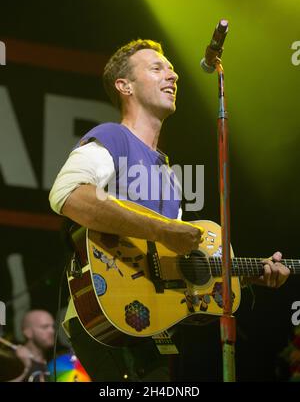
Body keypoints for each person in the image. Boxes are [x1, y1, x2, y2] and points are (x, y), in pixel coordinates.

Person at [49, 39, 290, 381]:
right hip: (106, 317)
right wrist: (162, 229)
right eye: (157, 68)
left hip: (152, 325)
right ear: (124, 85)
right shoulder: (112, 137)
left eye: (172, 69)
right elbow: (67, 194)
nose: (172, 75)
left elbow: (169, 266)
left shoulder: (168, 175)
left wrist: (248, 274)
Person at [11, 310, 55, 382]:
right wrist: (26, 368)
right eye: (45, 327)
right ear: (28, 332)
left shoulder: (54, 360)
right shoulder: (13, 360)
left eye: (53, 327)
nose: (52, 331)